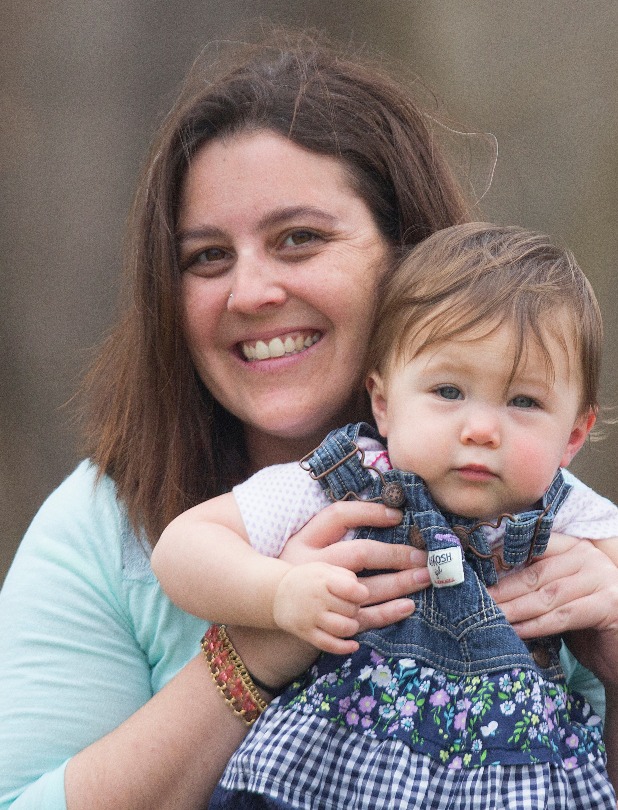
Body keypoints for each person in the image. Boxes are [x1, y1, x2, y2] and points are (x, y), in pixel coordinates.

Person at [0, 31, 617, 810]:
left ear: (409, 254)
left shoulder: (530, 503)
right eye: (206, 258)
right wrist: (249, 657)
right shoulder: (104, 526)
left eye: (300, 239)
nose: (251, 292)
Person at [152, 223, 618, 808]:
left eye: (524, 402)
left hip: (512, 782)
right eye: (448, 391)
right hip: (333, 776)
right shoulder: (352, 480)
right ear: (383, 402)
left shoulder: (569, 512)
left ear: (574, 435)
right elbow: (183, 547)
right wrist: (279, 594)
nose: (481, 429)